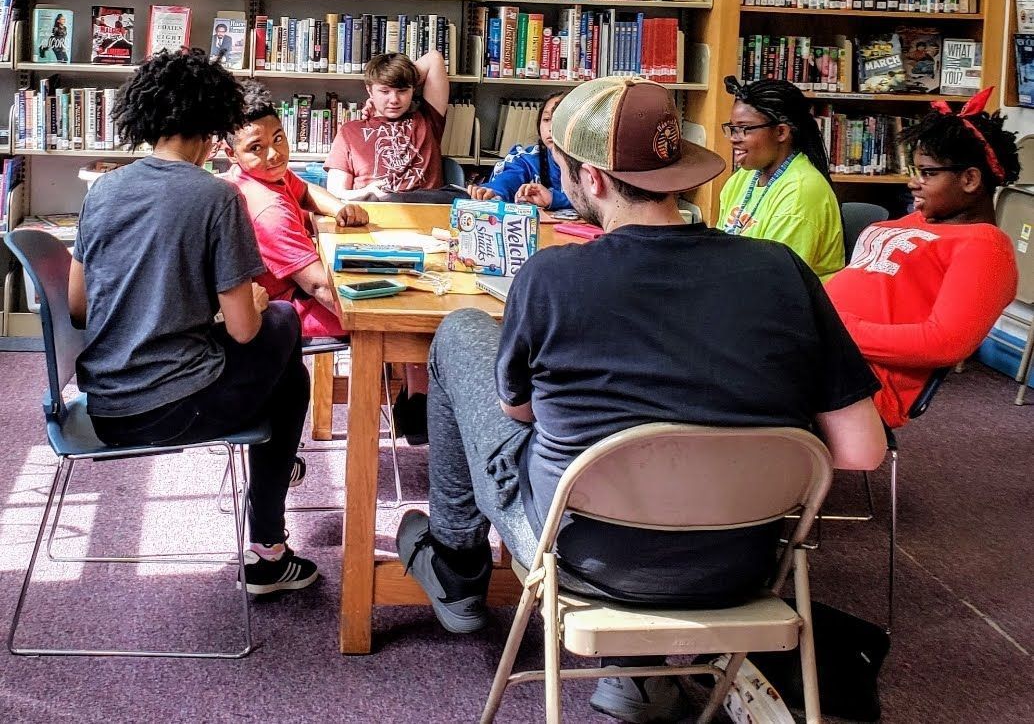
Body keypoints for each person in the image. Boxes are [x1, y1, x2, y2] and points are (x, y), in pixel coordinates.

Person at [395, 76, 887, 723]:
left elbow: (519, 415)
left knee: (461, 332)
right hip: (740, 567)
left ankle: (457, 564)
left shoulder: (550, 278)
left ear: (591, 180)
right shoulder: (780, 271)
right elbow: (862, 448)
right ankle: (649, 678)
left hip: (585, 561)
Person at [68, 49, 319, 596]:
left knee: (286, 377)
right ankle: (268, 546)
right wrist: (248, 297)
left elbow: (79, 307)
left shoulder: (104, 190)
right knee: (282, 326)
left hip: (104, 406)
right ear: (214, 126)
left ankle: (271, 545)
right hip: (170, 408)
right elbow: (244, 331)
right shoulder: (214, 197)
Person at [826, 89, 1020, 428]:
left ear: (970, 179)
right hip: (822, 350)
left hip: (861, 380)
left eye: (927, 173)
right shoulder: (922, 219)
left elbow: (943, 343)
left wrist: (834, 328)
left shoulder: (985, 247)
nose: (914, 183)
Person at [222, 81, 369, 338]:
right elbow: (319, 287)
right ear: (231, 153)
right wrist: (377, 320)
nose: (274, 154)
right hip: (287, 308)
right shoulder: (269, 211)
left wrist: (339, 208)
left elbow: (305, 191)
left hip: (299, 287)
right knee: (390, 325)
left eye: (278, 138)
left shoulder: (257, 174)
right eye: (256, 148)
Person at [718, 76, 845, 281]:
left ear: (781, 132)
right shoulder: (743, 178)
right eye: (732, 128)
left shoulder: (801, 192)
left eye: (744, 128)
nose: (733, 138)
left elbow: (774, 280)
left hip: (790, 306)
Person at [324, 50, 456, 203]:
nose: (394, 100)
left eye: (402, 91)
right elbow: (336, 192)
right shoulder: (349, 131)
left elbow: (434, 58)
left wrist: (402, 77)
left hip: (424, 211)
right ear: (369, 90)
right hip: (374, 209)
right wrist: (366, 192)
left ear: (413, 89)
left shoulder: (428, 120)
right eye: (385, 91)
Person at [466, 92, 573, 211]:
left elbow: (595, 201)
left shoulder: (591, 162)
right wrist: (493, 191)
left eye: (561, 120)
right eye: (547, 119)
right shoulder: (527, 158)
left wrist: (554, 199)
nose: (551, 128)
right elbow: (509, 179)